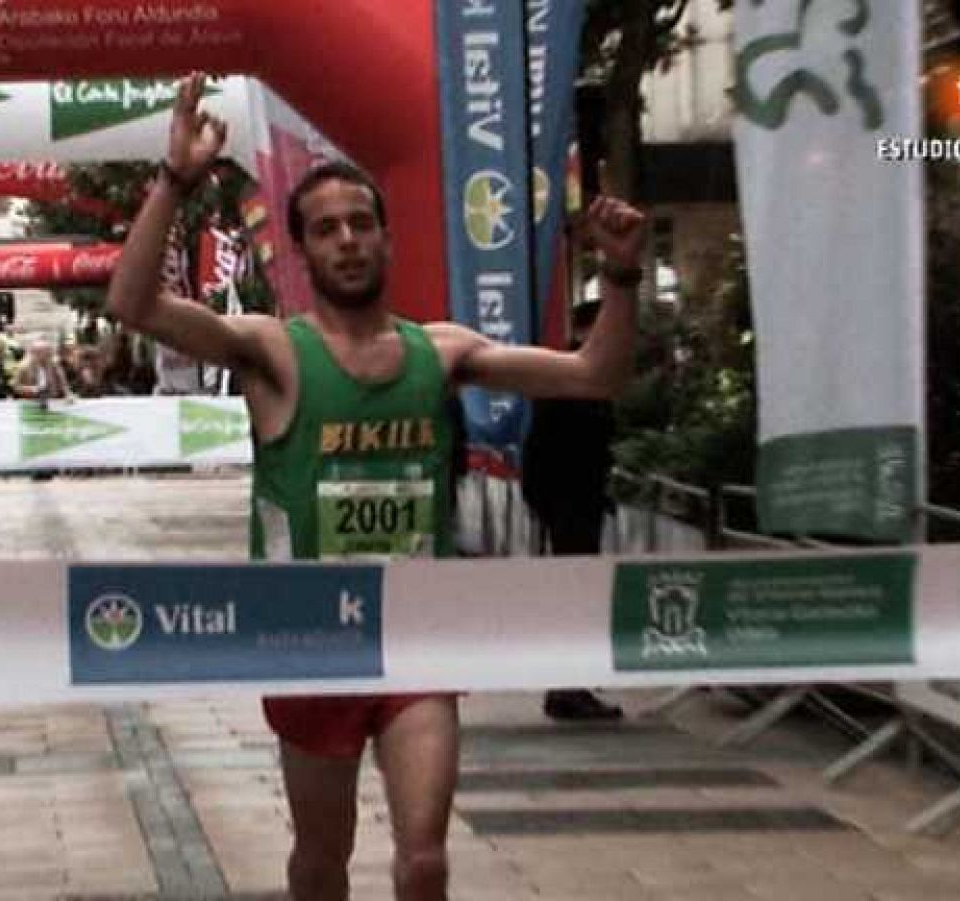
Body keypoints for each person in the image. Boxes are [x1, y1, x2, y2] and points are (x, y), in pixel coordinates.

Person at [105, 73, 646, 901]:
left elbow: (594, 375)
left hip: (414, 635)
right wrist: (176, 181)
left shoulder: (443, 352)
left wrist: (620, 278)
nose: (348, 240)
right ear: (304, 251)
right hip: (306, 640)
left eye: (362, 224)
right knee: (322, 862)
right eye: (327, 230)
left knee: (425, 858)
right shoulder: (274, 352)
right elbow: (132, 302)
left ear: (387, 241)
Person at [523, 301, 624, 721]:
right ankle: (568, 687)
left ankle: (571, 681)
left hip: (577, 498)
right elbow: (548, 445)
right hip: (567, 500)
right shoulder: (565, 376)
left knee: (579, 592)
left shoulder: (581, 376)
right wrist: (546, 500)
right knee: (575, 594)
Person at [12, 338, 75, 403]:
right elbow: (15, 386)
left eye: (48, 352)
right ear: (33, 352)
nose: (48, 354)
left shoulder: (54, 364)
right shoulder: (23, 367)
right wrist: (31, 389)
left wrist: (68, 395)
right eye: (43, 352)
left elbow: (63, 383)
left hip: (52, 400)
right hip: (31, 401)